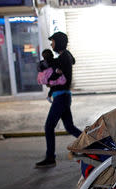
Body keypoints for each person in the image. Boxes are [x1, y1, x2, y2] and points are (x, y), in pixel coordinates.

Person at [35, 32, 82, 168]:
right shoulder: (64, 56)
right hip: (62, 96)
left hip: (61, 97)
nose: (51, 44)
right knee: (69, 127)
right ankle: (91, 144)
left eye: (53, 41)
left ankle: (50, 158)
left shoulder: (63, 57)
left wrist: (49, 81)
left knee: (49, 126)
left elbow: (58, 76)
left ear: (59, 42)